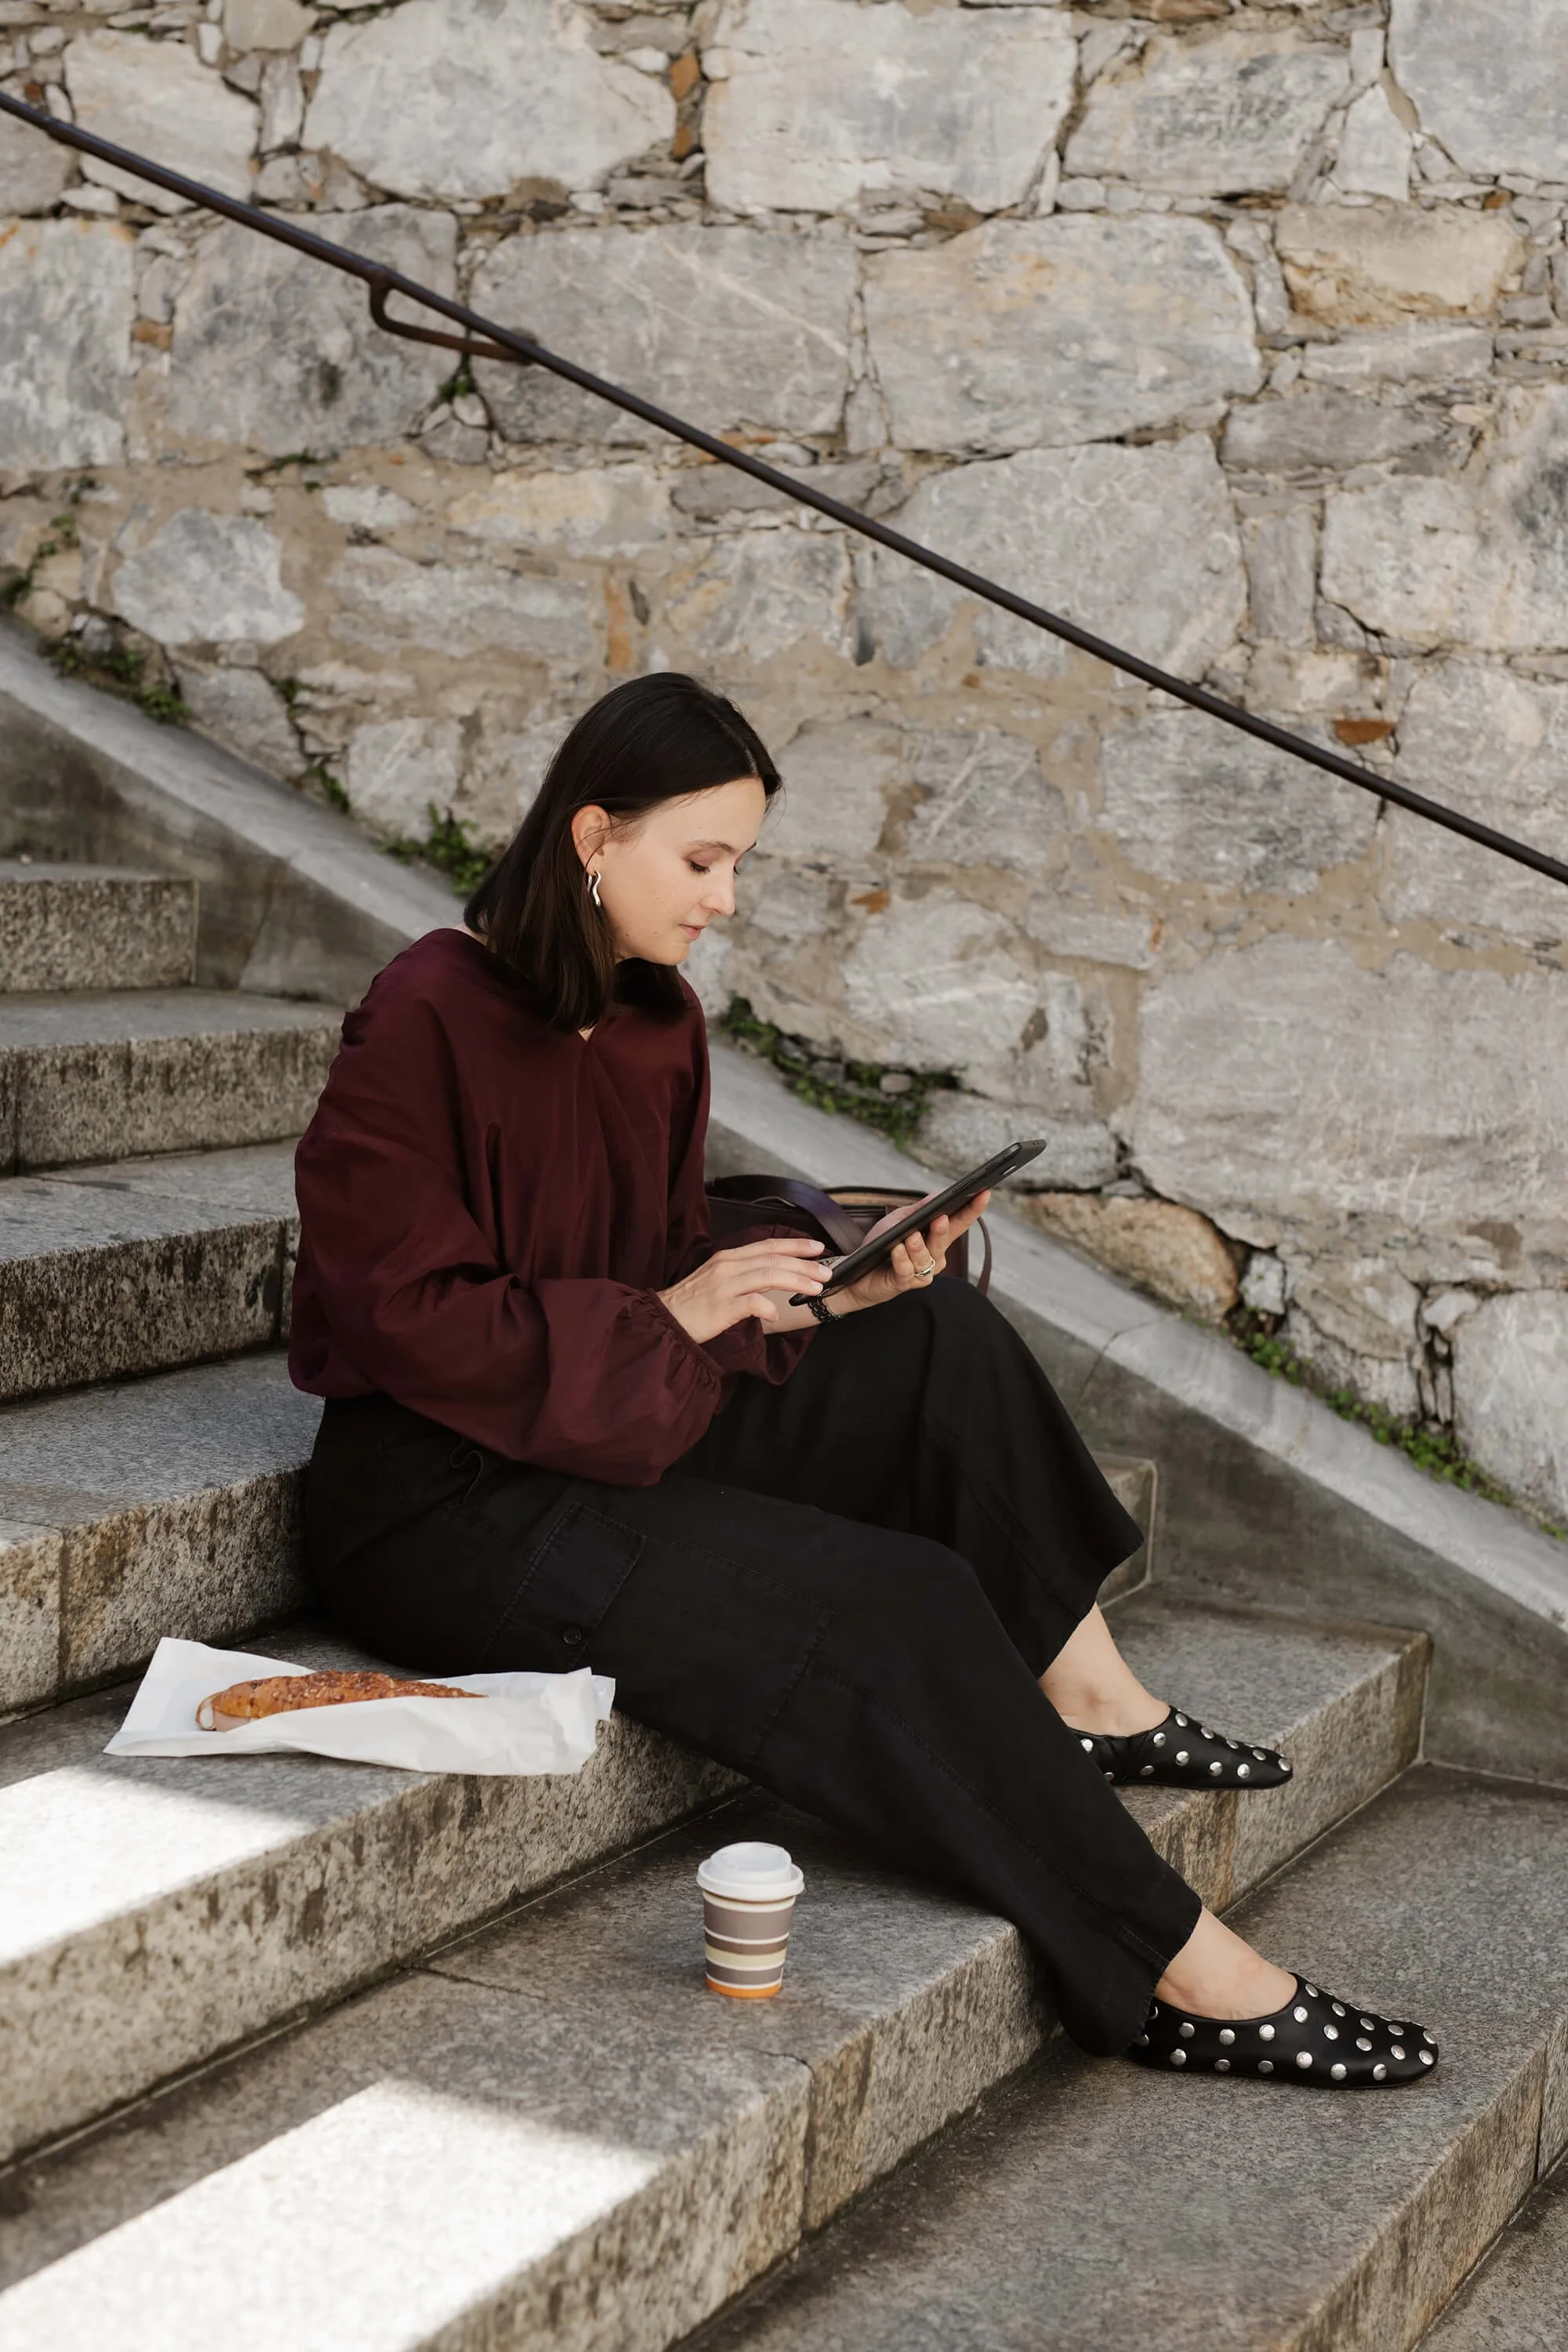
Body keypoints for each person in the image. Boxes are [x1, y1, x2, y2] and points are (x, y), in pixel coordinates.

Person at [290, 673, 1436, 2089]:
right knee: (897, 1601)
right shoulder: (423, 1012)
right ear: (595, 837)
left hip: (601, 1419)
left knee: (929, 1331)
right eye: (700, 861)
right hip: (444, 1501)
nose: (723, 900)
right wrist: (676, 1309)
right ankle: (1175, 1971)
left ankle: (1082, 1699)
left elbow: (652, 1257)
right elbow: (400, 1311)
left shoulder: (656, 1023)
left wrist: (827, 1277)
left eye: (738, 867)